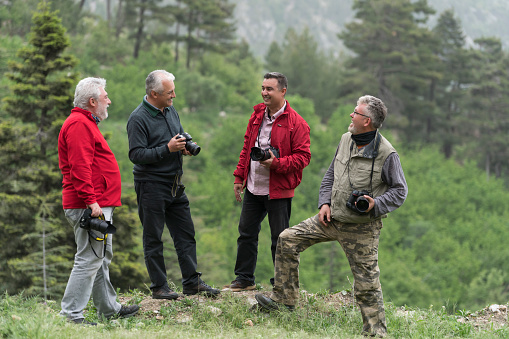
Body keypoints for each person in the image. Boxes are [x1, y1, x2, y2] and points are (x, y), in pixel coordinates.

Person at [254, 95, 408, 338]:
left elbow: (400, 191)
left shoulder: (387, 154)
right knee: (287, 239)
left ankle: (375, 333)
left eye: (355, 112)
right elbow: (330, 174)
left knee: (367, 284)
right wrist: (324, 202)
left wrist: (376, 204)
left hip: (361, 228)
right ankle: (284, 301)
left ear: (366, 121)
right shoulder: (346, 139)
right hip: (330, 218)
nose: (351, 115)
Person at [127, 70, 219, 299]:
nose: (174, 96)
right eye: (169, 92)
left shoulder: (170, 110)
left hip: (175, 184)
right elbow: (136, 154)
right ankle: (159, 287)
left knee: (185, 234)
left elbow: (175, 137)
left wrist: (184, 149)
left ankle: (192, 282)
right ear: (154, 93)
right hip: (151, 185)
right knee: (153, 237)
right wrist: (166, 149)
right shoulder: (138, 118)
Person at [58, 77, 139, 325]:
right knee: (89, 257)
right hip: (89, 205)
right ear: (92, 102)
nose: (109, 101)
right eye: (105, 97)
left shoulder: (84, 122)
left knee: (100, 256)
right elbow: (79, 167)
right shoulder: (79, 125)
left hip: (95, 203)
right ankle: (71, 315)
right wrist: (92, 202)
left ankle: (108, 309)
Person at [225, 72, 311, 292]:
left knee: (280, 239)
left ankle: (282, 285)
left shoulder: (297, 123)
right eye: (263, 88)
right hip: (253, 186)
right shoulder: (256, 116)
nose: (264, 93)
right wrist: (239, 176)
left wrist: (277, 164)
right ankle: (244, 279)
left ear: (283, 91)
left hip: (279, 190)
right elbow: (247, 148)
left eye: (269, 89)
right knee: (246, 233)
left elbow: (303, 157)